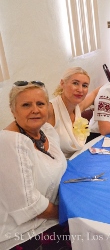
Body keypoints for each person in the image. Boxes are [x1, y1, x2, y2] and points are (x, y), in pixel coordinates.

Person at [0, 81, 68, 249]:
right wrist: (66, 213)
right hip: (25, 234)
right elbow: (30, 206)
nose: (35, 110)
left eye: (40, 104)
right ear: (13, 110)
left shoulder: (47, 131)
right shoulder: (10, 142)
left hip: (50, 221)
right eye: (26, 105)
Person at [47, 67, 99, 158]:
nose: (80, 90)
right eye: (75, 83)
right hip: (59, 166)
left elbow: (94, 93)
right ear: (62, 83)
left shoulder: (78, 106)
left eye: (85, 85)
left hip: (78, 159)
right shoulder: (50, 109)